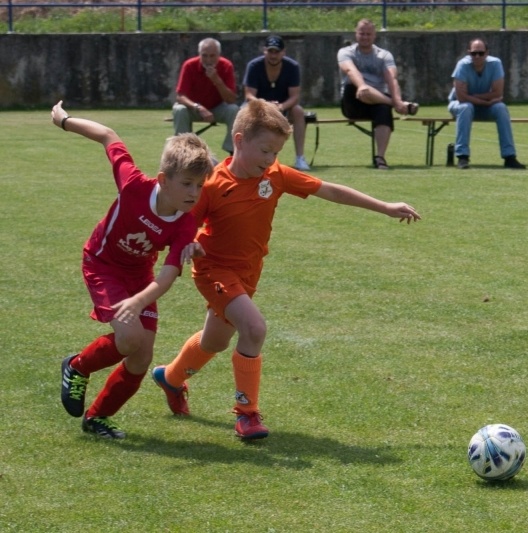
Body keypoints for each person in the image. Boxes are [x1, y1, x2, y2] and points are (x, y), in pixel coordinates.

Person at [151, 100, 421, 440]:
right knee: (254, 328)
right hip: (214, 272)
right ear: (238, 140)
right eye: (265, 150)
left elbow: (329, 190)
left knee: (214, 341)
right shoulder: (213, 185)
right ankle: (247, 414)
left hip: (248, 273)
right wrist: (189, 244)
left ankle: (171, 378)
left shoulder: (275, 175)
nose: (270, 159)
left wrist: (384, 206)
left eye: (276, 152)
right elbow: (184, 225)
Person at [53, 100, 214, 439]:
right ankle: (77, 367)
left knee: (141, 357)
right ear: (163, 180)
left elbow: (167, 276)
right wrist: (65, 121)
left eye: (200, 185)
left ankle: (98, 417)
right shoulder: (133, 185)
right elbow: (108, 136)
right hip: (103, 265)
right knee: (129, 338)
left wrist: (140, 300)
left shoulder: (185, 223)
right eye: (187, 183)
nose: (194, 193)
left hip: (140, 278)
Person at [337, 18, 419, 170]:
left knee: (383, 109)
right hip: (352, 100)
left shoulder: (384, 55)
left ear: (374, 35)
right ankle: (398, 105)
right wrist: (362, 86)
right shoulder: (345, 52)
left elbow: (391, 79)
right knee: (359, 88)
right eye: (362, 33)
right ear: (356, 34)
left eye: (368, 34)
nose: (365, 37)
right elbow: (350, 70)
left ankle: (380, 158)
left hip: (377, 101)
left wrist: (396, 98)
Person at [447, 38, 526, 170]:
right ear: (469, 53)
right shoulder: (462, 65)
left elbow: (498, 92)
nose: (477, 56)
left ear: (487, 53)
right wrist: (485, 101)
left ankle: (509, 157)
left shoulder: (495, 64)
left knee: (501, 108)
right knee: (466, 107)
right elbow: (461, 97)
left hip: (485, 106)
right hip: (459, 105)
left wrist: (474, 97)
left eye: (481, 53)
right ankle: (462, 156)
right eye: (474, 53)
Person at [243, 34, 310, 171]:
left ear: (283, 52)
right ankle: (242, 156)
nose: (273, 55)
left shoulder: (292, 67)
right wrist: (265, 106)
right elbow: (249, 95)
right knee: (242, 111)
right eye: (270, 51)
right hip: (259, 109)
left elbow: (295, 96)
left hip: (283, 109)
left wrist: (281, 107)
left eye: (277, 52)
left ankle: (300, 158)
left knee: (298, 111)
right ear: (264, 51)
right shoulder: (254, 66)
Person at [173, 37, 240, 156]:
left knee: (234, 110)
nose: (208, 60)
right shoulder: (189, 65)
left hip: (217, 108)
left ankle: (233, 151)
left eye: (212, 56)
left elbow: (231, 99)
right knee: (179, 109)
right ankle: (182, 151)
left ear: (219, 55)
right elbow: (180, 96)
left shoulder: (226, 66)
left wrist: (217, 80)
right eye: (204, 56)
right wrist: (198, 107)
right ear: (199, 54)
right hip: (194, 109)